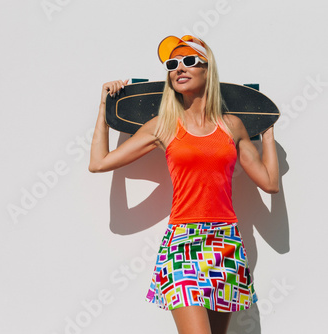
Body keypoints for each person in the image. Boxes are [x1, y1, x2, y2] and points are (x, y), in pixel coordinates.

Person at [89, 35, 279, 334]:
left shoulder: (232, 126)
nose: (179, 68)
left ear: (208, 69)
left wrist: (267, 133)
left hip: (226, 241)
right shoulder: (163, 125)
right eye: (172, 64)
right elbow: (99, 163)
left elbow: (269, 184)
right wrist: (103, 108)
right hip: (183, 243)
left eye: (189, 61)